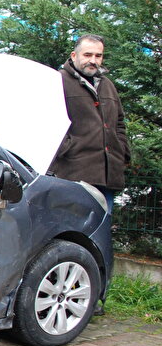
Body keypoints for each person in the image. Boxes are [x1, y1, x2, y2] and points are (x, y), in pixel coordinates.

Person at [51, 34, 131, 213]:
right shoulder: (58, 81)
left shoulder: (107, 85)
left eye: (98, 56)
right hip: (71, 175)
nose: (93, 60)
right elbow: (48, 123)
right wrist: (69, 148)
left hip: (107, 178)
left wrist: (122, 151)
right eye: (87, 55)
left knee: (101, 228)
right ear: (74, 55)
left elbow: (119, 122)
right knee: (72, 227)